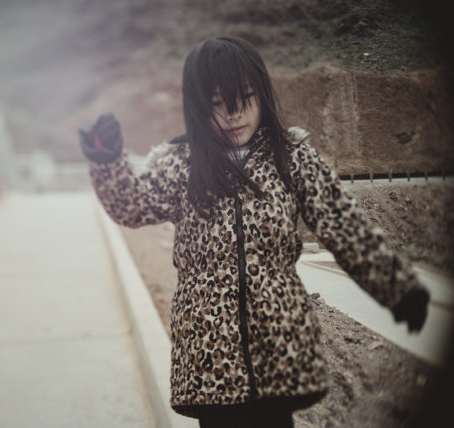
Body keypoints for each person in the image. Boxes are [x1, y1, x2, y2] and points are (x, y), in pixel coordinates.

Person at [79, 36, 430, 427]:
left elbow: (344, 224)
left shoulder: (292, 157)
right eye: (217, 104)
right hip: (208, 351)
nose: (234, 114)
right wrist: (107, 161)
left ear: (262, 93)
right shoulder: (182, 164)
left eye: (245, 97)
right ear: (197, 107)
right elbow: (133, 203)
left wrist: (397, 288)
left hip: (277, 348)